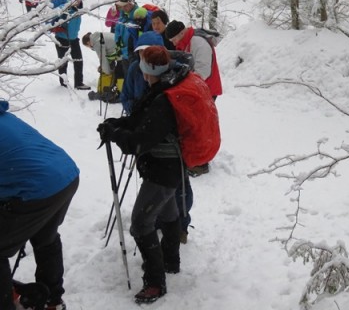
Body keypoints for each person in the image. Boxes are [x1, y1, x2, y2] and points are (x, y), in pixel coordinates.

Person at [97, 46, 190, 304]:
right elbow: (141, 122)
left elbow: (138, 142)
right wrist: (116, 124)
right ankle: (171, 261)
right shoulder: (164, 87)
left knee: (140, 224)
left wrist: (115, 134)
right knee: (169, 213)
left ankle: (155, 283)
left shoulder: (163, 99)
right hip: (168, 168)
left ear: (148, 71)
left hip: (163, 171)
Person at [0, 100, 80, 310]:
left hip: (38, 186)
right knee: (46, 237)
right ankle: (52, 300)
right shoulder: (5, 118)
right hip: (65, 175)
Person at [165, 20, 222, 176]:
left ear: (181, 33)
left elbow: (203, 71)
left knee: (200, 125)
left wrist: (182, 81)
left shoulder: (198, 42)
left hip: (206, 90)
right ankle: (197, 157)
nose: (173, 43)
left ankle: (201, 162)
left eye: (173, 39)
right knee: (193, 124)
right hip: (196, 90)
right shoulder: (186, 41)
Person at [51, 0, 89, 90]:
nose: (77, 2)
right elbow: (53, 19)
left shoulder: (79, 11)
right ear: (71, 0)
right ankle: (63, 83)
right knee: (63, 62)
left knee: (78, 61)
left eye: (79, 0)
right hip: (62, 39)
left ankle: (79, 83)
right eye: (75, 0)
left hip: (74, 39)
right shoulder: (64, 10)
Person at [81, 32, 123, 102]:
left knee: (119, 74)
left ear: (88, 42)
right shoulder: (98, 36)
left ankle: (115, 93)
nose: (90, 48)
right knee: (120, 72)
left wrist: (106, 71)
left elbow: (102, 59)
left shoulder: (97, 43)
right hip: (122, 50)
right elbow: (108, 51)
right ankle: (119, 92)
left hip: (122, 54)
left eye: (88, 46)